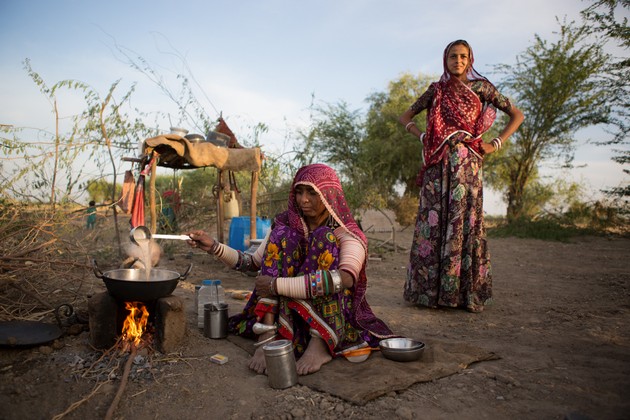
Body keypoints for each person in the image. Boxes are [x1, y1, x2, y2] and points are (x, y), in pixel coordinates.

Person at [186, 163, 395, 375]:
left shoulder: (344, 230)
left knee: (324, 238)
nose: (303, 199)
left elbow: (346, 278)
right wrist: (213, 247)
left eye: (312, 193)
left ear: (328, 194)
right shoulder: (286, 224)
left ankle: (320, 344)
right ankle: (267, 334)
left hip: (330, 318)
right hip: (289, 314)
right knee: (282, 235)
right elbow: (251, 263)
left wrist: (277, 285)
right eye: (299, 192)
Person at [398, 40, 524, 313]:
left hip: (468, 166)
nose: (458, 60)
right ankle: (428, 294)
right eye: (453, 56)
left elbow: (517, 114)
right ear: (446, 60)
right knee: (433, 223)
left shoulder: (482, 88)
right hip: (438, 163)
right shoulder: (437, 90)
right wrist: (421, 135)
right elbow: (406, 115)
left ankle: (462, 294)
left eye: (463, 56)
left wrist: (496, 143)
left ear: (470, 60)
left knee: (463, 222)